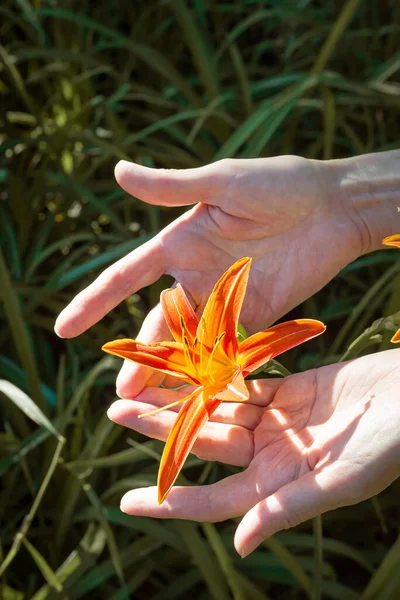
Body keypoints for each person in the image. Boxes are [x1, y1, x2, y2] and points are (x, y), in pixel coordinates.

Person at [55, 150, 400, 557]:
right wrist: (341, 198)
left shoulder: (237, 357)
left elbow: (305, 330)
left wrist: (347, 198)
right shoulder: (206, 386)